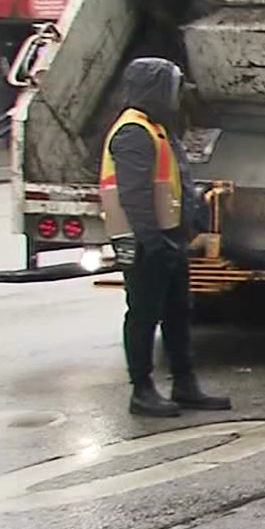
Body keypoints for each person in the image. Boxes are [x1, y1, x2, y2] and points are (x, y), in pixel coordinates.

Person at [102, 58, 231, 418]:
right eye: (171, 89)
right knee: (143, 314)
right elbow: (134, 194)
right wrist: (152, 242)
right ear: (154, 90)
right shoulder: (133, 132)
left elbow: (172, 183)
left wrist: (187, 224)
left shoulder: (157, 128)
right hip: (147, 241)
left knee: (177, 313)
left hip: (167, 237)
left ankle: (185, 385)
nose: (176, 97)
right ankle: (142, 391)